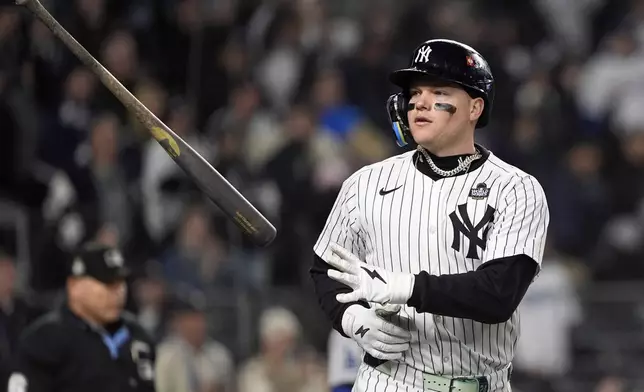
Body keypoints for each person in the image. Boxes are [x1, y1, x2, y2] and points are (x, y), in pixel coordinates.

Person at [310, 39, 550, 392]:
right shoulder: (365, 183)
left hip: (479, 383)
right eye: (415, 91)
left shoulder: (515, 188)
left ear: (474, 108)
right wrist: (352, 319)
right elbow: (325, 268)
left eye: (438, 91)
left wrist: (405, 287)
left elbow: (499, 294)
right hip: (388, 381)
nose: (420, 102)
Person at [8, 243, 157, 392]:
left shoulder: (137, 334)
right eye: (108, 283)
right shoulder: (44, 340)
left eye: (121, 282)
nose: (118, 292)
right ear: (74, 287)